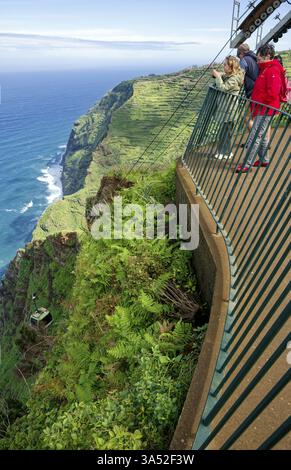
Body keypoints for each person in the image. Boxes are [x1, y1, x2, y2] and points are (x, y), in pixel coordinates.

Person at [236, 43, 284, 174]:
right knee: (261, 136)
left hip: (265, 109)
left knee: (255, 135)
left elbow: (273, 92)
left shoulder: (272, 70)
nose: (257, 60)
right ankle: (264, 160)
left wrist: (259, 100)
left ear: (267, 56)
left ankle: (246, 164)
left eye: (259, 58)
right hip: (261, 108)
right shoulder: (265, 69)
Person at [212, 56, 244, 159]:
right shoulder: (231, 76)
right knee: (225, 131)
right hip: (227, 109)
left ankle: (224, 152)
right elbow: (224, 75)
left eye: (225, 64)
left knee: (226, 132)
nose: (223, 66)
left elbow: (223, 88)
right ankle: (225, 152)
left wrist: (217, 77)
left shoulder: (234, 79)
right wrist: (217, 75)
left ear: (231, 67)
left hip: (229, 109)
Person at [237, 43, 259, 132]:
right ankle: (256, 141)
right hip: (258, 90)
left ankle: (254, 140)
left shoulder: (244, 60)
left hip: (251, 92)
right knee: (254, 117)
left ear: (241, 52)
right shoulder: (255, 58)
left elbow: (240, 77)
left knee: (246, 116)